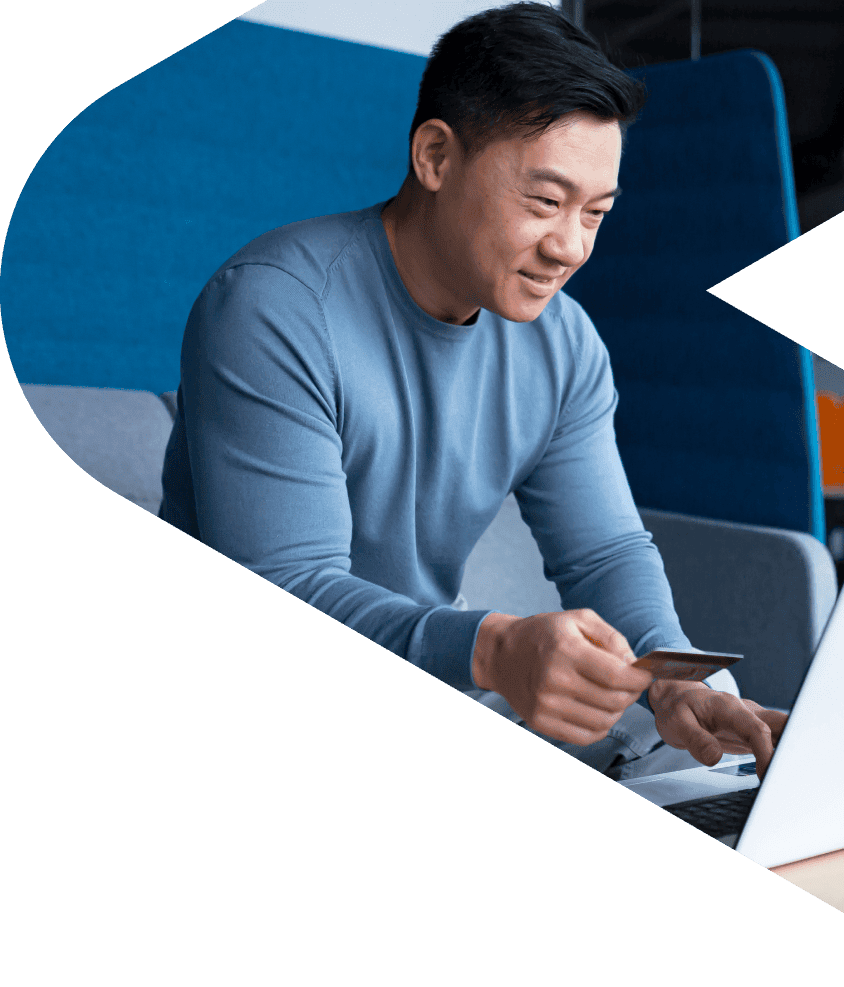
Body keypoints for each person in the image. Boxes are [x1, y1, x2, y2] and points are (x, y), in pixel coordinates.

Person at [160, 3, 785, 780]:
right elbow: (286, 592)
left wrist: (673, 681)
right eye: (544, 201)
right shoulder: (271, 307)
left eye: (596, 213)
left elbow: (604, 551)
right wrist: (490, 647)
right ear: (434, 155)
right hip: (253, 717)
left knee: (709, 787)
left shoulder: (564, 344)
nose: (570, 247)